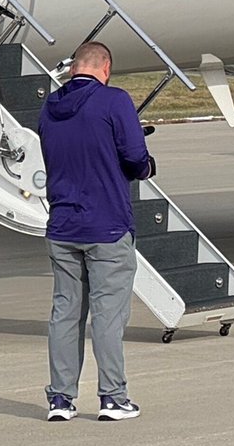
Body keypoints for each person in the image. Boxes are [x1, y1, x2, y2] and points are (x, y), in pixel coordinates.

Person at [39, 42, 153, 421]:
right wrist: (146, 167)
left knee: (65, 313)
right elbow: (135, 157)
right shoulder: (114, 100)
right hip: (106, 225)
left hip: (62, 225)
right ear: (104, 68)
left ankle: (60, 399)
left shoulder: (50, 107)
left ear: (75, 69)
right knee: (107, 315)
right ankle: (113, 397)